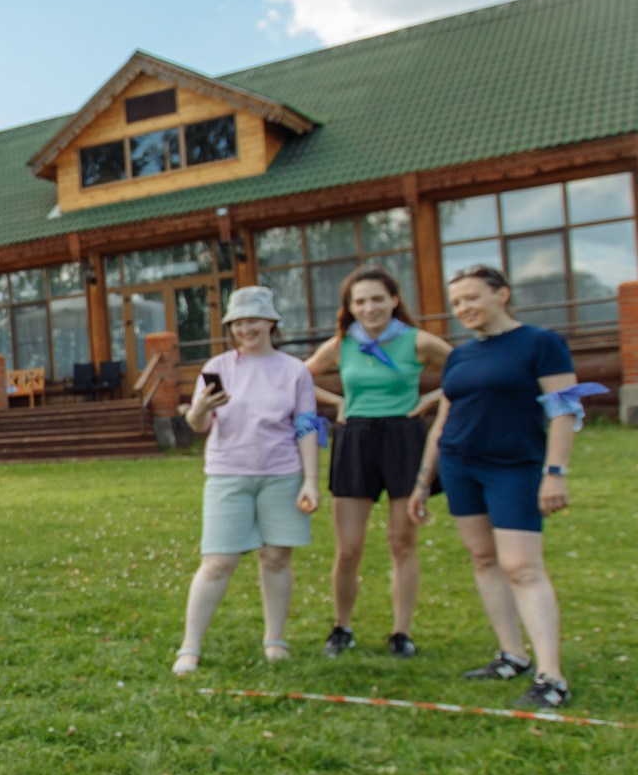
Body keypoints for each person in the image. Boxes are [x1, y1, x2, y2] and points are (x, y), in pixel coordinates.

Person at [409, 263, 598, 710]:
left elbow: (564, 410)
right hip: (459, 467)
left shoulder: (541, 343)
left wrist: (555, 472)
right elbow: (444, 421)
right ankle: (511, 654)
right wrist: (422, 482)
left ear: (502, 295)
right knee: (482, 558)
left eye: (472, 297)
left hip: (514, 467)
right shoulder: (460, 356)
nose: (464, 308)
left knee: (522, 566)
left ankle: (552, 676)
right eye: (457, 302)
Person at [171, 286, 323, 675]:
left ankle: (275, 638)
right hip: (228, 475)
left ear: (271, 322)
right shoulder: (219, 366)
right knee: (217, 562)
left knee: (275, 558)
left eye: (252, 320)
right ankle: (190, 646)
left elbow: (306, 427)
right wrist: (200, 408)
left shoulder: (295, 371)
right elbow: (199, 425)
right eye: (237, 322)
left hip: (282, 475)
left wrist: (310, 480)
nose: (245, 328)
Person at [305, 265, 451, 658]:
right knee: (348, 547)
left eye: (377, 299)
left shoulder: (417, 341)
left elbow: (464, 371)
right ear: (350, 307)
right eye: (360, 301)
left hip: (404, 439)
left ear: (394, 301)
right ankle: (342, 627)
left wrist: (430, 400)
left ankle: (401, 632)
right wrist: (337, 403)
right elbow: (298, 378)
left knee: (402, 543)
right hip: (355, 441)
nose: (369, 308)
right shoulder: (340, 345)